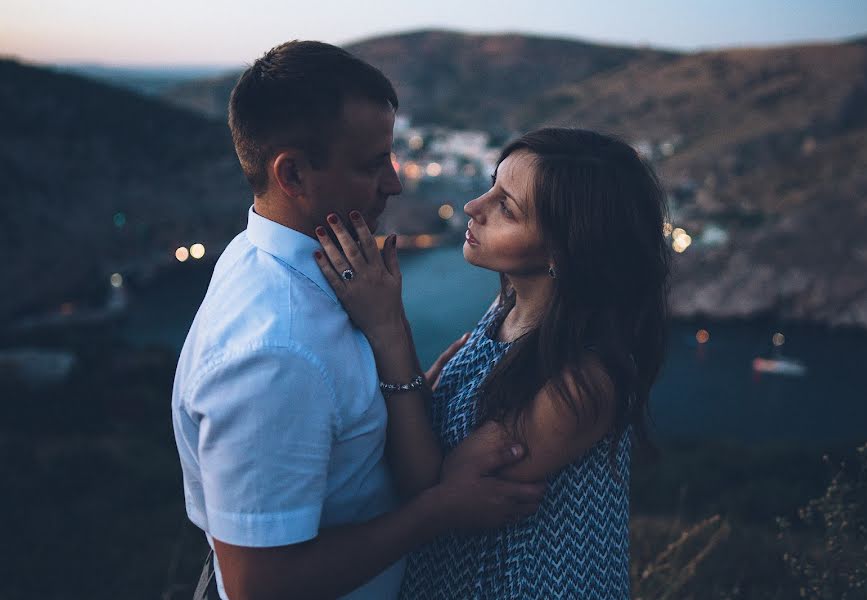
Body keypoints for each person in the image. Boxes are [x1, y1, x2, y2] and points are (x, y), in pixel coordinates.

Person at [171, 40, 545, 600]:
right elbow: (260, 585)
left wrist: (408, 386)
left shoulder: (276, 259)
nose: (395, 183)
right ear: (292, 174)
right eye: (373, 165)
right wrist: (437, 511)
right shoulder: (275, 352)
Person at [313, 127, 671, 599]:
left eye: (506, 207)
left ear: (564, 250)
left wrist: (388, 330)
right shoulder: (507, 313)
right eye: (491, 186)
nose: (473, 206)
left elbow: (432, 489)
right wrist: (420, 392)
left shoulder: (584, 381)